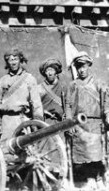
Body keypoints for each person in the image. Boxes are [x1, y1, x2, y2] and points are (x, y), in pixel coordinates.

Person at [66, 52, 109, 190]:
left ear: (88, 66)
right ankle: (88, 179)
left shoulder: (98, 83)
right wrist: (69, 122)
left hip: (95, 124)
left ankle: (98, 178)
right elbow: (68, 105)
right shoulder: (73, 85)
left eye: (83, 66)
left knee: (96, 154)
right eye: (79, 67)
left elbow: (105, 102)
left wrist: (107, 116)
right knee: (82, 154)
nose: (81, 70)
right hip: (80, 124)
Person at [0, 49, 43, 143]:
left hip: (22, 119)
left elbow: (36, 103)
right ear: (7, 62)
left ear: (20, 60)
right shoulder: (3, 81)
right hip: (6, 121)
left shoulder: (29, 79)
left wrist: (37, 123)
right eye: (10, 60)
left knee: (25, 150)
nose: (13, 62)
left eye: (15, 59)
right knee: (6, 150)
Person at [38, 59, 67, 124]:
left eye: (52, 70)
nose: (50, 73)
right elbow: (35, 107)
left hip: (61, 123)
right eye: (47, 71)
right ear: (44, 73)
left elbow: (69, 105)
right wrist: (44, 111)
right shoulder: (39, 88)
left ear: (56, 72)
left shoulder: (63, 87)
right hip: (45, 122)